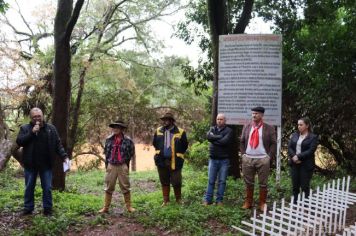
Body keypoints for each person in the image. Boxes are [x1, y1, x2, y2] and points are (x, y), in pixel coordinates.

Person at [16, 107, 68, 216]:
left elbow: (58, 144)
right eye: (34, 116)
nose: (37, 118)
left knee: (47, 187)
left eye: (39, 116)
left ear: (42, 116)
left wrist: (64, 156)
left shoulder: (51, 129)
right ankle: (28, 208)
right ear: (31, 117)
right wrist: (31, 132)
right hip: (30, 164)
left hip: (46, 164)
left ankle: (48, 209)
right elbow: (20, 141)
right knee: (29, 187)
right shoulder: (25, 128)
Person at [240, 106, 277, 211]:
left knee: (263, 182)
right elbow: (242, 141)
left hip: (262, 159)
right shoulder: (247, 126)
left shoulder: (269, 128)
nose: (254, 115)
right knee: (248, 181)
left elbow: (274, 143)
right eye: (252, 113)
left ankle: (262, 203)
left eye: (256, 113)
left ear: (261, 115)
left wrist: (269, 157)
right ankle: (248, 202)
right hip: (248, 159)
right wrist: (243, 155)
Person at [99, 120, 136, 213]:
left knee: (125, 186)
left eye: (117, 127)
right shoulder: (109, 140)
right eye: (114, 127)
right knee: (109, 186)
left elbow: (131, 153)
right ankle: (106, 208)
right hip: (111, 165)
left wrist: (125, 163)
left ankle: (129, 207)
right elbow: (106, 153)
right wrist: (107, 165)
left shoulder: (128, 140)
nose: (115, 129)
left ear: (122, 129)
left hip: (122, 165)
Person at [153, 112, 188, 206]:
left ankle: (178, 199)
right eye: (164, 120)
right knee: (164, 180)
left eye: (167, 119)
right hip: (161, 160)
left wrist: (175, 154)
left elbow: (185, 145)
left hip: (176, 160)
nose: (165, 121)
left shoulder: (180, 132)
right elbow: (155, 144)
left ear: (172, 121)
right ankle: (166, 201)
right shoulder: (158, 131)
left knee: (176, 180)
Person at [203, 113, 233, 206]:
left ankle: (219, 200)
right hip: (213, 159)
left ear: (225, 121)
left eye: (221, 119)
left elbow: (225, 142)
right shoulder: (212, 129)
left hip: (224, 160)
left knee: (222, 181)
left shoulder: (229, 131)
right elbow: (208, 137)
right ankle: (208, 200)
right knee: (211, 180)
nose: (219, 121)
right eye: (218, 119)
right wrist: (219, 137)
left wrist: (213, 139)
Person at [288, 117, 318, 203]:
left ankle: (306, 202)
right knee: (295, 184)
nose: (299, 126)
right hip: (294, 163)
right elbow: (289, 147)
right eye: (298, 124)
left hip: (306, 164)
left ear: (307, 125)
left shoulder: (313, 137)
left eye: (301, 124)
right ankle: (295, 202)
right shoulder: (294, 135)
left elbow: (311, 150)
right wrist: (294, 156)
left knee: (304, 185)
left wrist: (299, 156)